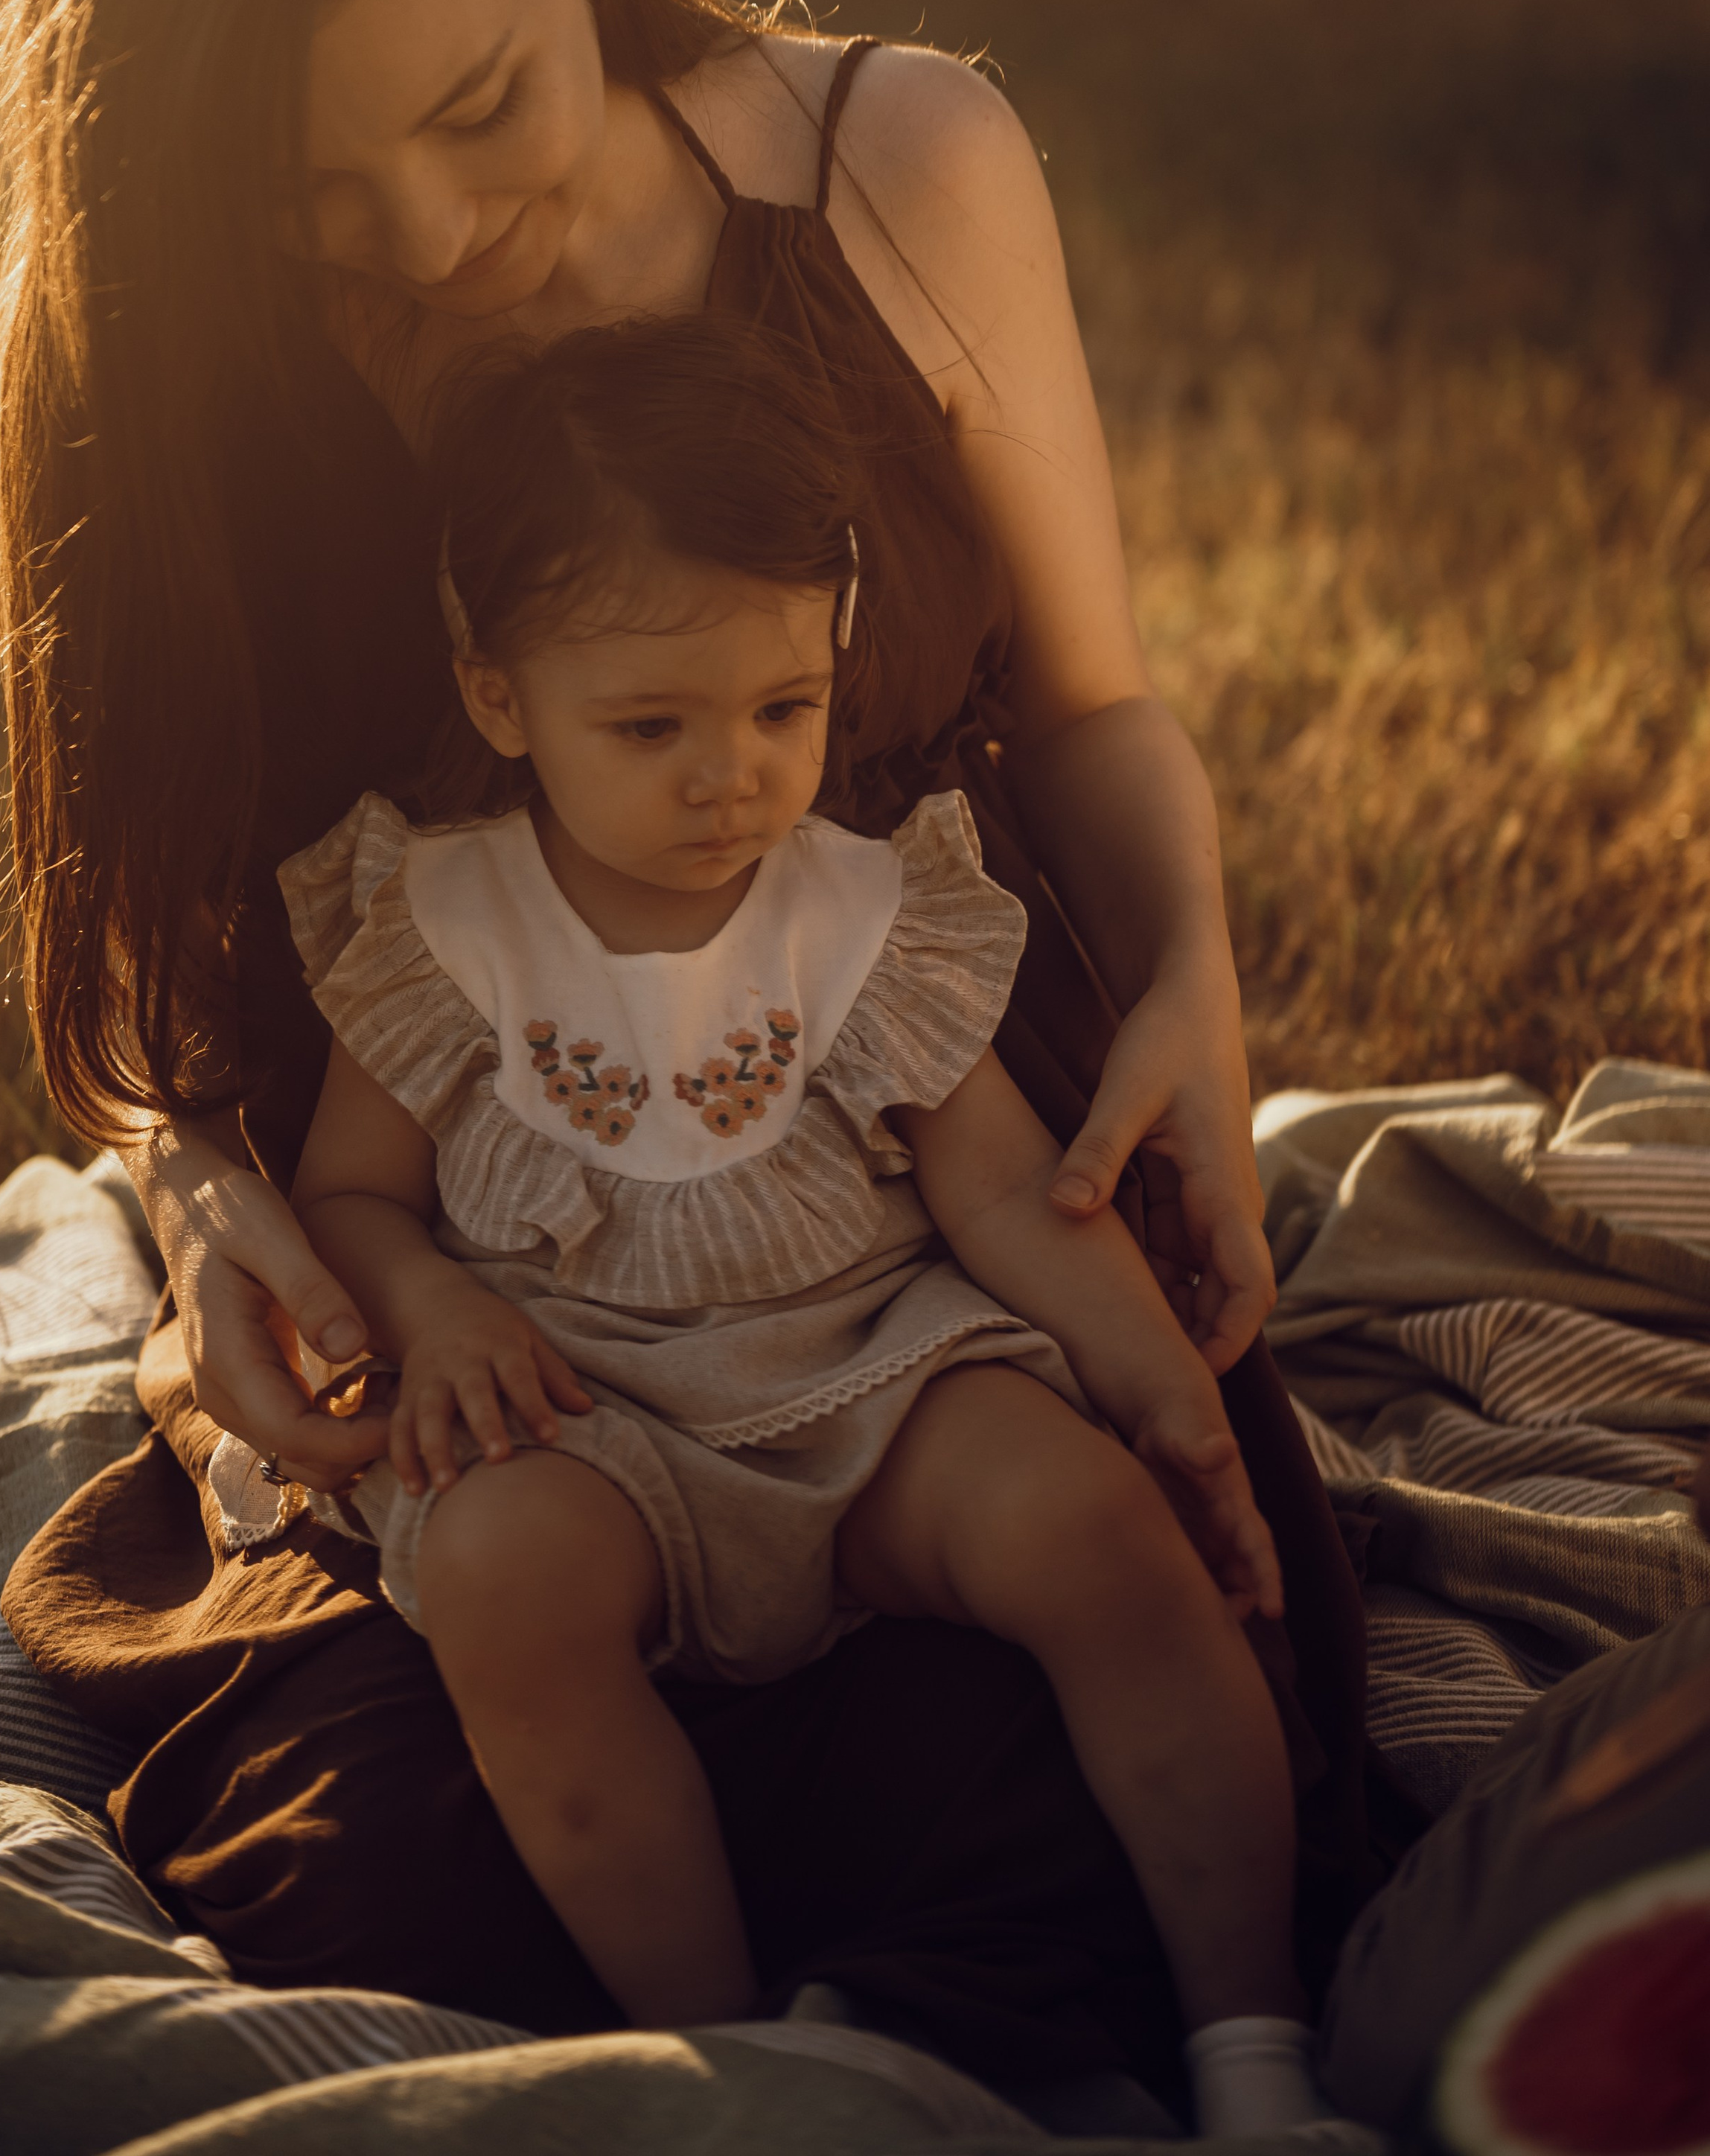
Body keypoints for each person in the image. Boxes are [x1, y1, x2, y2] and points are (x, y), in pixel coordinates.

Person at [0, 0, 1370, 2107]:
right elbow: (178, 952)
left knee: (1101, 1768)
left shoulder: (890, 165)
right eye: (316, 193)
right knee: (393, 1880)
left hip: (903, 1196)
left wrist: (1200, 986)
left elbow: (1098, 703)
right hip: (479, 1269)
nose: (420, 237)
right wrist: (213, 1210)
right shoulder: (217, 350)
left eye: (482, 104)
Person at [232, 309, 1335, 2135]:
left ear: (833, 649)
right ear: (500, 695)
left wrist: (1165, 1398)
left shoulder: (858, 909)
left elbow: (991, 1188)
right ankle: (739, 2051)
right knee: (505, 1586)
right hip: (581, 1419)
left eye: (780, 710)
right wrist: (426, 1306)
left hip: (866, 1381)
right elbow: (351, 1189)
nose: (727, 775)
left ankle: (1255, 2045)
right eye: (647, 725)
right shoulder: (443, 922)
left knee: (1098, 1532)